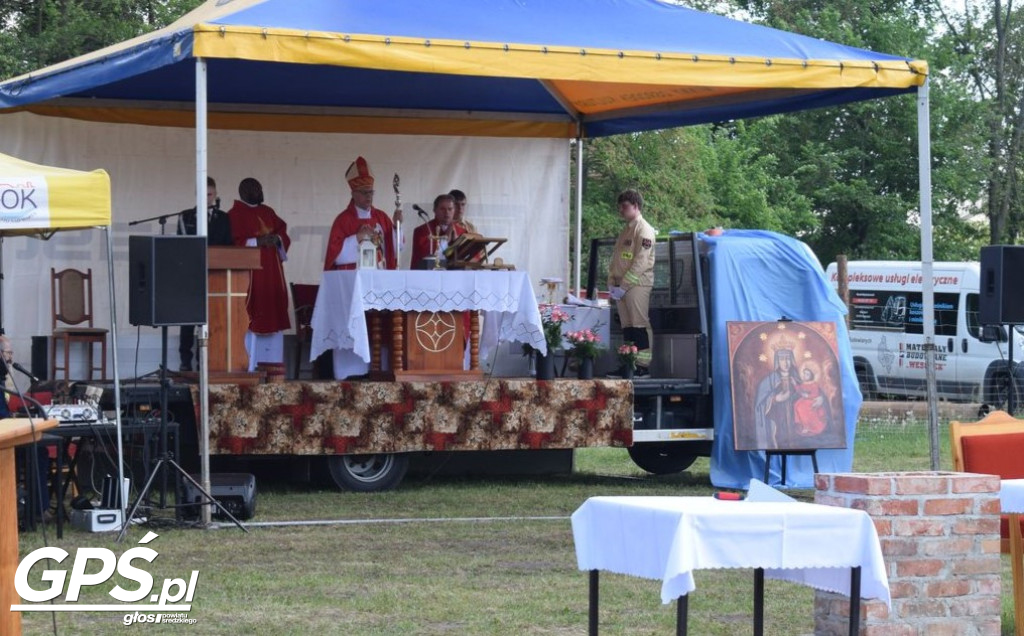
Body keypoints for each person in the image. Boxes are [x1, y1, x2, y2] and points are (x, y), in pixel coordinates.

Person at [228, 178, 291, 371]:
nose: (258, 191)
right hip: (252, 276)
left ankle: (274, 369)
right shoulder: (234, 215)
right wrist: (257, 241)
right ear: (243, 192)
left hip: (272, 272)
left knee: (273, 312)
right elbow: (233, 244)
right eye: (254, 189)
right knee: (252, 318)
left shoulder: (268, 212)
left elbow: (282, 232)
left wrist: (277, 239)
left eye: (260, 188)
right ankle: (250, 367)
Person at [177, 176, 233, 372]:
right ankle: (185, 359)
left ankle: (207, 359)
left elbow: (229, 246)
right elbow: (181, 245)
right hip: (191, 274)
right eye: (203, 194)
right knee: (188, 319)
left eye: (210, 194)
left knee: (211, 318)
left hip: (215, 275)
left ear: (215, 195)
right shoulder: (186, 216)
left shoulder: (224, 218)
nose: (207, 198)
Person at [606, 189, 655, 378]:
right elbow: (617, 258)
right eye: (620, 207)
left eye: (625, 206)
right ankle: (628, 363)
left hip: (637, 285)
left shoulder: (644, 230)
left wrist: (624, 286)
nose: (621, 210)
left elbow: (640, 262)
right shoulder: (626, 230)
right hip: (621, 286)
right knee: (627, 326)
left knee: (639, 324)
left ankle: (642, 366)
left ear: (636, 206)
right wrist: (612, 281)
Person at [324, 157, 403, 270]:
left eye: (371, 192)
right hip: (353, 279)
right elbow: (335, 257)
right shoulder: (343, 220)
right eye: (364, 192)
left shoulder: (382, 217)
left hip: (379, 277)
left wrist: (396, 226)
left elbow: (394, 251)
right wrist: (358, 237)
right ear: (353, 194)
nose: (368, 196)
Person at [754, 347, 798, 449]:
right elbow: (759, 405)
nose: (786, 363)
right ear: (777, 361)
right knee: (778, 438)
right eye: (782, 359)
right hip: (777, 420)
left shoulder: (797, 378)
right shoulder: (769, 380)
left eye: (788, 359)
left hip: (795, 421)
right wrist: (774, 399)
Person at [411, 193, 466, 267]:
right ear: (434, 210)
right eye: (442, 209)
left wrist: (457, 244)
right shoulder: (422, 231)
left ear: (454, 211)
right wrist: (446, 239)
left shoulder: (462, 232)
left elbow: (470, 258)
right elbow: (424, 259)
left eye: (450, 209)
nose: (447, 212)